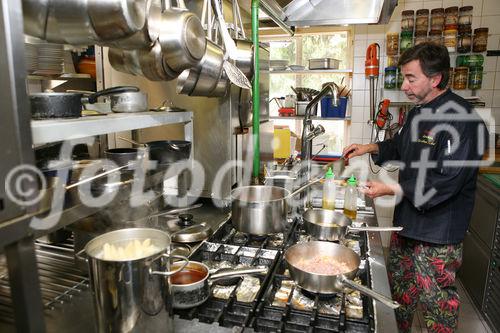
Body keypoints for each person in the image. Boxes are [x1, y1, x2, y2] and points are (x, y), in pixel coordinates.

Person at [342, 43, 487, 333]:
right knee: (399, 296)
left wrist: (389, 190)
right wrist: (369, 146)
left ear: (435, 79)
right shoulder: (418, 112)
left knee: (437, 305)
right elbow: (400, 146)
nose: (405, 86)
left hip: (437, 234)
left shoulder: (463, 120)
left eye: (411, 78)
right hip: (406, 224)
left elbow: (446, 181)